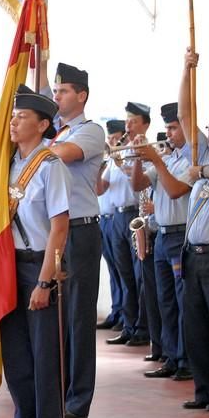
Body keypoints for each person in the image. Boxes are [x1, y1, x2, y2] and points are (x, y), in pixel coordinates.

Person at [1, 84, 71, 418]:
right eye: (12, 116)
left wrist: (44, 284)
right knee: (16, 359)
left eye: (22, 117)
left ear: (42, 125)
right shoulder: (4, 165)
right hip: (6, 268)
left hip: (37, 266)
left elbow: (60, 227)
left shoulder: (49, 166)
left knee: (44, 359)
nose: (13, 123)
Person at [40, 62, 105, 418]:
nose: (57, 95)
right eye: (55, 90)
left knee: (78, 320)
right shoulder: (52, 135)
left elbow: (63, 156)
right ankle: (55, 394)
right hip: (52, 232)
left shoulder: (89, 131)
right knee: (52, 318)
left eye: (63, 91)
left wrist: (32, 146)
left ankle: (77, 403)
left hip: (79, 231)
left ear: (81, 95)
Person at [131, 102, 193, 381]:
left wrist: (155, 160)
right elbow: (138, 185)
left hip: (181, 236)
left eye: (172, 127)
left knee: (182, 302)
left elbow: (175, 190)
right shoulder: (166, 159)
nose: (168, 133)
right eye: (166, 127)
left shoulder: (191, 160)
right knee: (164, 301)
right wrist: (136, 158)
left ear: (185, 127)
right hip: (163, 236)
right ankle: (170, 355)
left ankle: (185, 359)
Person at [97, 101, 152, 348]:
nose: (128, 126)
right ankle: (129, 326)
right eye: (127, 121)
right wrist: (99, 166)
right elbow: (102, 187)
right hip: (117, 217)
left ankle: (142, 327)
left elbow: (139, 181)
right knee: (124, 274)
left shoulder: (149, 150)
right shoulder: (119, 150)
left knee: (140, 277)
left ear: (145, 124)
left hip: (134, 215)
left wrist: (119, 161)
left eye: (133, 121)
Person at [176, 48, 209, 411]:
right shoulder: (202, 154)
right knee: (197, 329)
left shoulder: (203, 166)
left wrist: (201, 174)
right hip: (194, 254)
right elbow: (186, 114)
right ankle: (204, 391)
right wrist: (186, 71)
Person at [96, 119, 126, 332]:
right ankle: (117, 312)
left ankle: (127, 316)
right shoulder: (106, 164)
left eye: (116, 138)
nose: (112, 142)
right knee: (114, 271)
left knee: (126, 272)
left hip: (118, 218)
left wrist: (119, 163)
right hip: (104, 220)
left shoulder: (124, 160)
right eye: (110, 139)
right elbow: (99, 189)